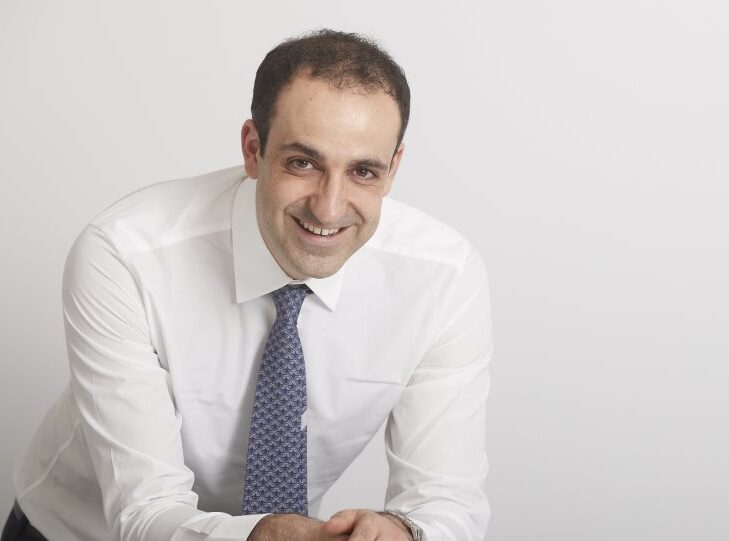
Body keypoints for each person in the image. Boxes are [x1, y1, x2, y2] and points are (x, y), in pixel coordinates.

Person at [3, 29, 491, 541]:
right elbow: (145, 512)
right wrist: (265, 534)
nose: (329, 208)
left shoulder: (444, 279)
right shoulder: (125, 255)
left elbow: (446, 502)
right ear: (253, 149)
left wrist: (405, 533)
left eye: (364, 171)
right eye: (302, 163)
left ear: (393, 169)